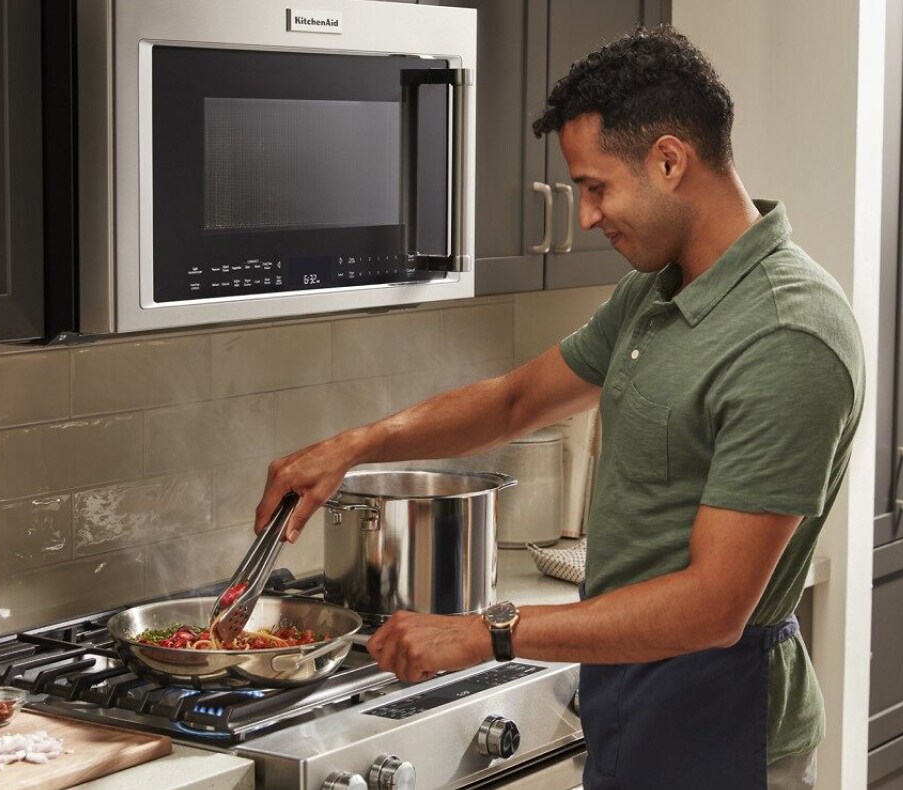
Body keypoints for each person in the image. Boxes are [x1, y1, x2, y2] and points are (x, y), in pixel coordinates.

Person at [254, 25, 864, 790]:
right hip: (634, 705)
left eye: (595, 186)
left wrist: (489, 633)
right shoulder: (655, 293)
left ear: (669, 161)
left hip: (729, 732)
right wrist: (352, 447)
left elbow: (714, 607)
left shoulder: (788, 334)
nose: (585, 217)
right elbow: (513, 402)